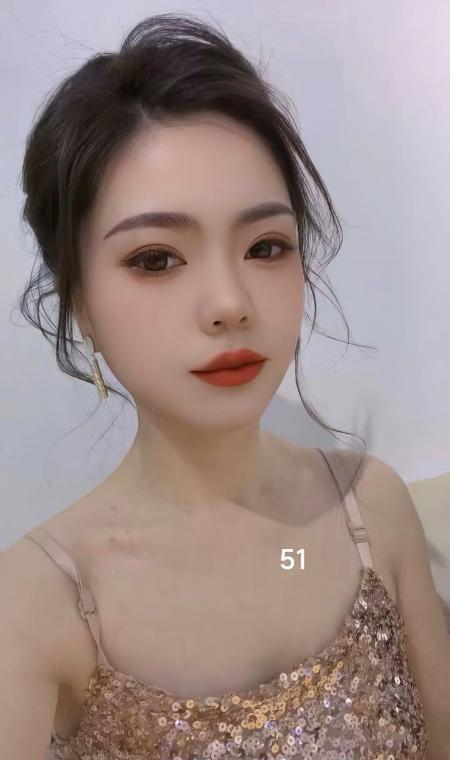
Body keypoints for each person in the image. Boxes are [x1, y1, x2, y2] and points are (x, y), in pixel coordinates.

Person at [1, 11, 449, 760]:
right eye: (156, 259)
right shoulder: (39, 601)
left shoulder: (372, 511)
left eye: (265, 246)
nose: (230, 303)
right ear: (78, 301)